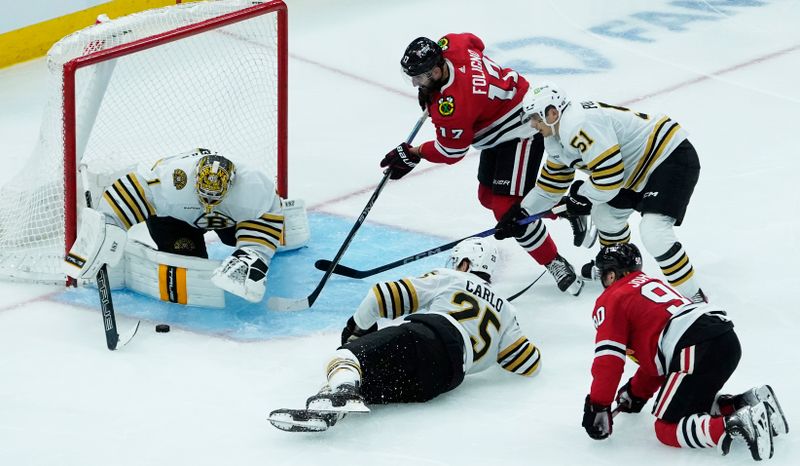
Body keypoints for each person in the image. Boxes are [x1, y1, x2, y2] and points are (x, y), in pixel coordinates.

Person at [379, 35, 593, 296]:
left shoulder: (455, 106)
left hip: (521, 130)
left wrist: (415, 153)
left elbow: (452, 151)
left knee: (507, 212)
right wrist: (431, 90)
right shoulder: (450, 44)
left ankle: (554, 261)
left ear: (437, 70)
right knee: (487, 198)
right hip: (497, 125)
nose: (415, 83)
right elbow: (474, 42)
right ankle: (564, 209)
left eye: (420, 78)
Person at [268, 237, 542, 432]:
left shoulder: (452, 277)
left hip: (425, 338)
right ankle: (327, 412)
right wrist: (509, 324)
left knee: (346, 358)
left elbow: (381, 295)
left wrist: (357, 329)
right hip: (443, 380)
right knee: (364, 383)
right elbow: (529, 364)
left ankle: (340, 391)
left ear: (466, 263)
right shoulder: (507, 311)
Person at [581, 243, 788, 461]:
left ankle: (737, 424)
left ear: (611, 275)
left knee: (667, 427)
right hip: (722, 337)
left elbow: (609, 360)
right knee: (690, 401)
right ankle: (746, 404)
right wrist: (636, 392)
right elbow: (658, 356)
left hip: (694, 346)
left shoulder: (612, 298)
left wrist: (599, 405)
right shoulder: (650, 285)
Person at [509, 83, 707, 302]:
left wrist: (581, 196)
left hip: (668, 158)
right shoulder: (555, 137)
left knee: (654, 232)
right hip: (631, 172)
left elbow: (609, 178)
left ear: (552, 113)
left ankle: (694, 298)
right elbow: (550, 187)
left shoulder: (577, 124)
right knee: (605, 217)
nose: (532, 124)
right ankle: (620, 270)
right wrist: (521, 213)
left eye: (535, 117)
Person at [63, 148, 309, 304]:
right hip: (175, 220)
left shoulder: (253, 186)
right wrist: (108, 226)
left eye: (216, 196)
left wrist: (255, 252)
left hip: (229, 218)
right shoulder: (172, 181)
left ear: (232, 184)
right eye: (205, 195)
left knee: (241, 245)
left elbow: (270, 212)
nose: (209, 202)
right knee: (192, 266)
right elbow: (127, 191)